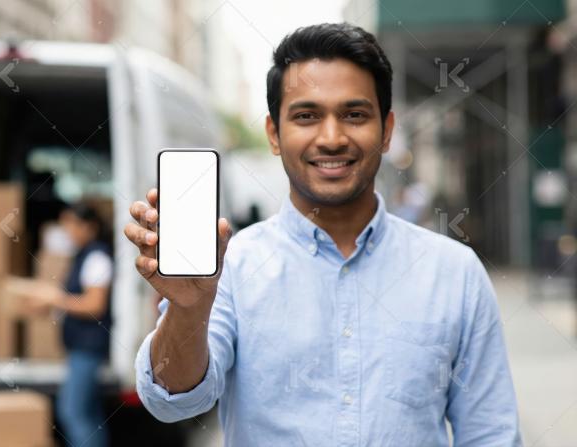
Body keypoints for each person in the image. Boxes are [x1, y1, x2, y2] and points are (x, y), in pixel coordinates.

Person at [124, 23, 521, 446]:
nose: (331, 138)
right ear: (274, 134)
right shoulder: (232, 268)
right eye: (306, 116)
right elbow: (174, 402)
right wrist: (188, 310)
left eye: (354, 114)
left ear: (386, 131)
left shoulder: (455, 273)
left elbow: (490, 434)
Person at [23, 201, 113, 447]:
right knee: (87, 413)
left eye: (72, 225)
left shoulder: (96, 258)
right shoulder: (82, 256)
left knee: (71, 411)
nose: (68, 231)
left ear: (89, 226)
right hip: (79, 346)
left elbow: (95, 305)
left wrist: (56, 299)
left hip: (88, 347)